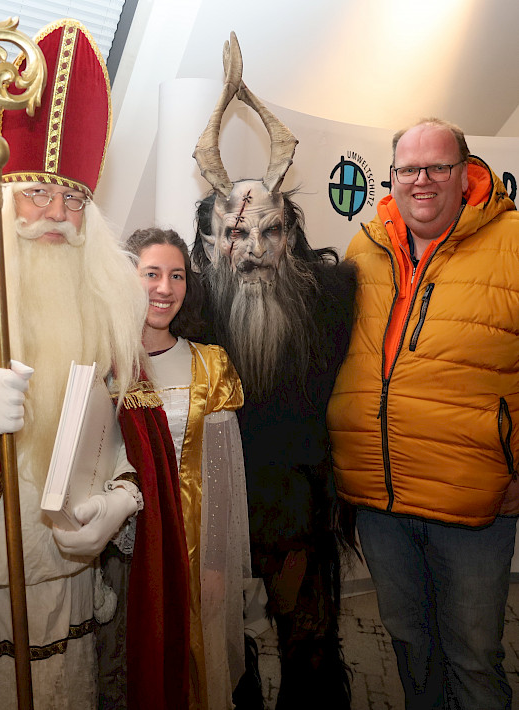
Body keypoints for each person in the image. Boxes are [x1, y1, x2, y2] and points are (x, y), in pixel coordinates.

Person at [0, 19, 189, 710]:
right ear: (1, 194)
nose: (57, 214)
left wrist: (123, 495)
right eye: (37, 193)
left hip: (77, 580)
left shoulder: (109, 296)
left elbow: (129, 435)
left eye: (75, 198)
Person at [329, 117, 519, 709]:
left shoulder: (512, 244)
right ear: (392, 177)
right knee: (411, 647)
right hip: (381, 502)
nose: (422, 181)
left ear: (466, 174)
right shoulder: (366, 244)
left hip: (472, 503)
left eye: (437, 167)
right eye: (409, 169)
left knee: (472, 656)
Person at [191, 33, 356, 709]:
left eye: (269, 232)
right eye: (236, 234)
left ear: (291, 236)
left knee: (309, 642)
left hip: (298, 505)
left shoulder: (333, 296)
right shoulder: (193, 306)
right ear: (212, 241)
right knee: (226, 646)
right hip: (223, 505)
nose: (253, 250)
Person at [125, 227, 250, 710]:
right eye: (151, 273)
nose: (165, 288)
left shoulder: (209, 364)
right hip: (122, 548)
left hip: (191, 547)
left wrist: (217, 564)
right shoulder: (102, 360)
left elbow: (221, 475)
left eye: (176, 276)